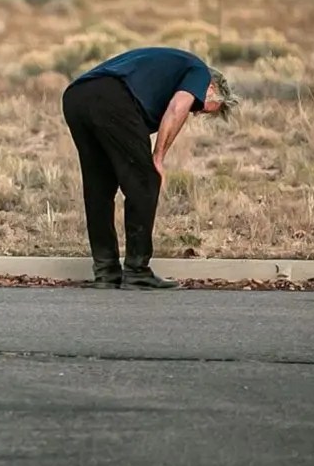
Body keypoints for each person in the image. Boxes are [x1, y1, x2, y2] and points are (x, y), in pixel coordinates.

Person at [60, 46, 239, 290]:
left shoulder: (169, 68)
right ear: (212, 88)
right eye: (200, 108)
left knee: (99, 188)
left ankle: (106, 272)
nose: (196, 113)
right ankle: (136, 271)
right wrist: (158, 158)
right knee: (145, 181)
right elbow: (177, 108)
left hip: (76, 96)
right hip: (111, 97)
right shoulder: (199, 72)